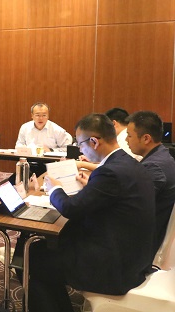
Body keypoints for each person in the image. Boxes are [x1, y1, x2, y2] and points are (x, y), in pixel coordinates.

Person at [28, 113, 155, 312]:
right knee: (40, 250)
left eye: (81, 144)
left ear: (94, 142)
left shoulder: (110, 172)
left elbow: (70, 209)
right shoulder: (127, 163)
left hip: (114, 266)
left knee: (34, 258)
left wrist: (55, 188)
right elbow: (113, 198)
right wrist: (91, 186)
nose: (80, 150)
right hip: (133, 256)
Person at [126, 110, 175, 256]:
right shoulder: (163, 156)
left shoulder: (154, 167)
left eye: (129, 135)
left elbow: (131, 207)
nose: (127, 140)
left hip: (145, 243)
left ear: (146, 138)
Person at [15, 102, 72, 177]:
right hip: (29, 163)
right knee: (14, 181)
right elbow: (19, 144)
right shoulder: (25, 127)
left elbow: (67, 149)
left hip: (50, 165)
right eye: (37, 115)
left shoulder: (57, 130)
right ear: (32, 115)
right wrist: (24, 149)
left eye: (44, 115)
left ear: (48, 116)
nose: (41, 118)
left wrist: (51, 150)